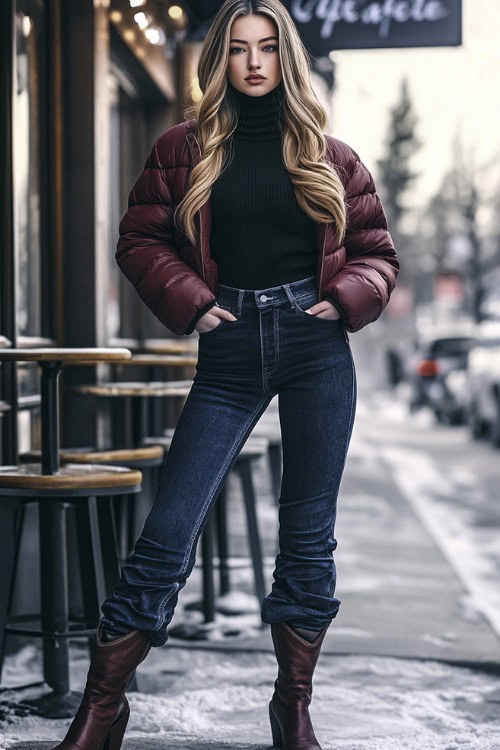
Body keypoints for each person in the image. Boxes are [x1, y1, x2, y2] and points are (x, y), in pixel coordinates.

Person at [51, 2, 398, 749]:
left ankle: (292, 707)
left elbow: (377, 252)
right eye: (238, 48)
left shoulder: (332, 157)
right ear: (221, 60)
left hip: (315, 348)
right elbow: (139, 236)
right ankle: (103, 706)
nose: (252, 62)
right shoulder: (184, 146)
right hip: (231, 347)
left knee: (308, 537)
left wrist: (343, 299)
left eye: (267, 48)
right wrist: (196, 304)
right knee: (168, 529)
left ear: (286, 59)